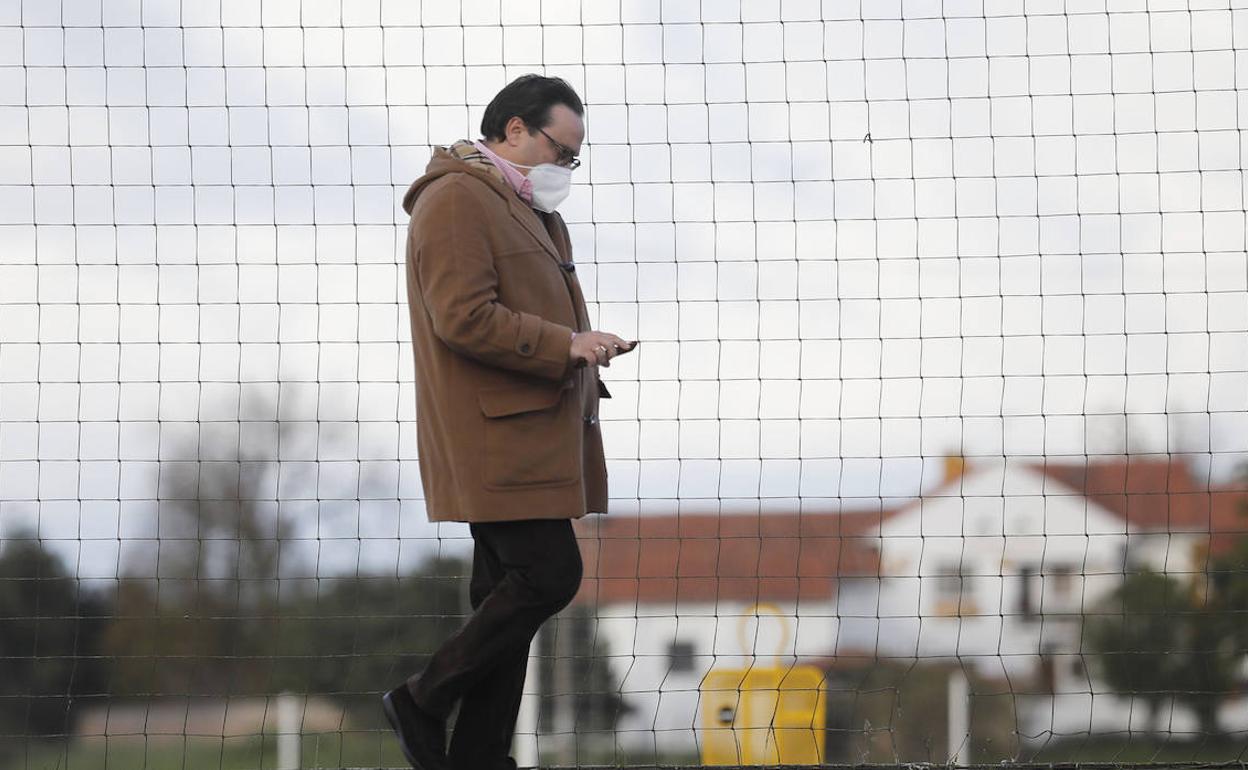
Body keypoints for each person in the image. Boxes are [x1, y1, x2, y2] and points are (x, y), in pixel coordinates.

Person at [381, 74, 637, 770]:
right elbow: (462, 316)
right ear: (515, 130)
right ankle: (421, 699)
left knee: (505, 599)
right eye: (561, 150)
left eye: (575, 158)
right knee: (549, 575)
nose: (566, 169)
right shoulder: (457, 199)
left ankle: (478, 757)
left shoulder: (531, 209)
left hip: (533, 431)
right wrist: (565, 345)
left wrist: (586, 344)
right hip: (494, 437)